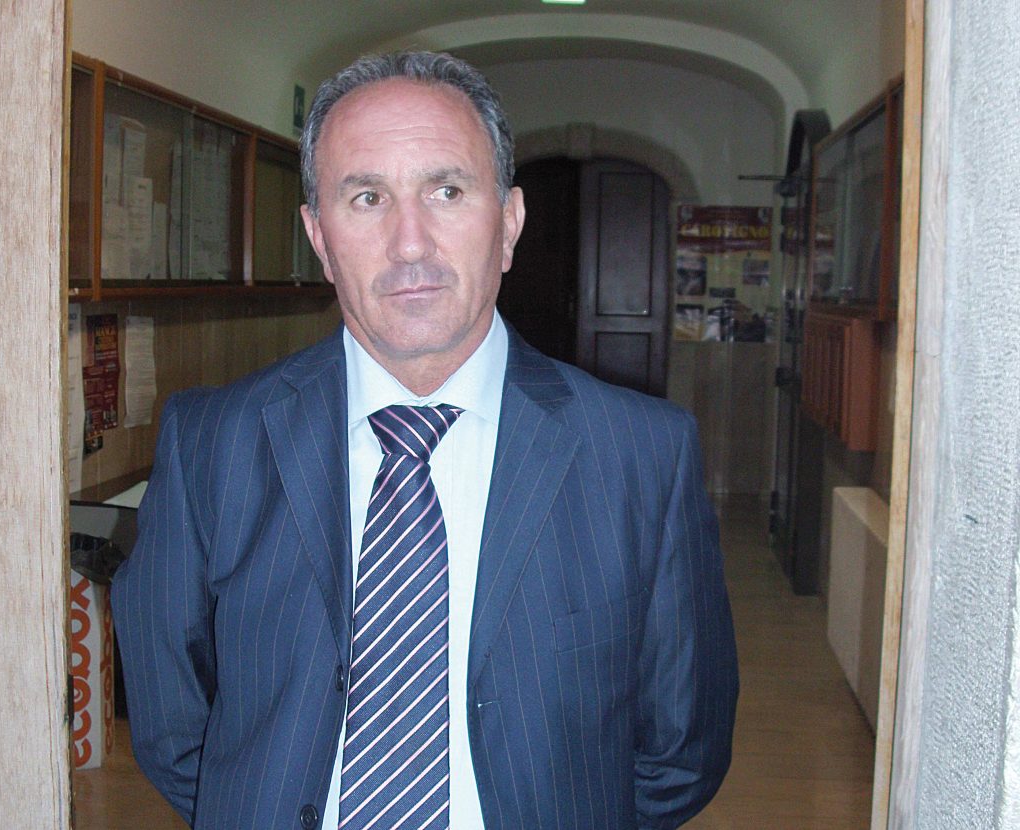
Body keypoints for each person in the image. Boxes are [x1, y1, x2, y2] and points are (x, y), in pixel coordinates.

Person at [113, 51, 738, 830]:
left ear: (508, 223)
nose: (410, 243)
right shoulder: (212, 445)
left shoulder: (643, 456)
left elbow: (681, 752)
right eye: (367, 197)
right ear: (318, 236)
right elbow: (173, 727)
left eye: (447, 191)